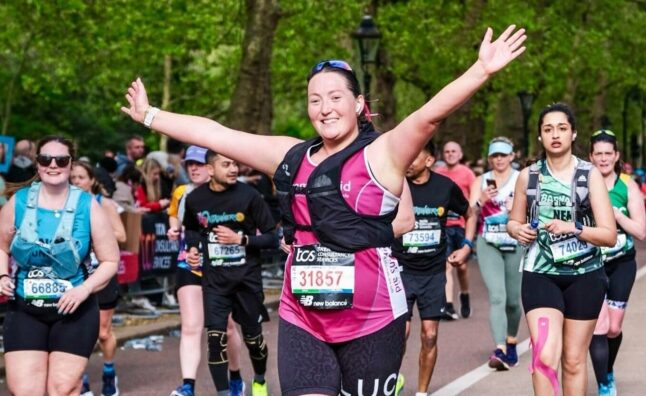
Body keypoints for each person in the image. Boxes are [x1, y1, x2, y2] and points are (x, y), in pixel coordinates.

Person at [121, 24, 526, 396]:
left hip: (373, 318)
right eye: (315, 100)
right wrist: (150, 115)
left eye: (335, 98)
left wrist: (481, 70)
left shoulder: (381, 154)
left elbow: (428, 115)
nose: (325, 108)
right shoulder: (290, 155)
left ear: (358, 104)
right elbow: (217, 134)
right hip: (303, 318)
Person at [507, 103, 616, 396]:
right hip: (541, 273)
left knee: (573, 360)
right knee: (544, 357)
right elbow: (513, 221)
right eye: (548, 129)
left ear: (573, 133)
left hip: (586, 276)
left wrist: (576, 229)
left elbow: (609, 235)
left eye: (562, 128)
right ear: (540, 138)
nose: (555, 134)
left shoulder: (588, 175)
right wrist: (518, 229)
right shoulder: (528, 176)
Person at [0, 136, 120, 396]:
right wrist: (1, 275)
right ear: (37, 164)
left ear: (70, 164)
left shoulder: (88, 206)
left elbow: (111, 261)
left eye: (61, 160)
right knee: (23, 391)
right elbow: (1, 246)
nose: (53, 165)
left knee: (62, 389)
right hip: (26, 308)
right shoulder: (18, 202)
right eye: (45, 159)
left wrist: (84, 290)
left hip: (74, 311)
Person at [181, 150, 278, 396]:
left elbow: (272, 237)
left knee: (253, 340)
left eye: (235, 164)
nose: (234, 169)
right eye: (226, 165)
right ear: (211, 169)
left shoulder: (250, 196)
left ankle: (259, 380)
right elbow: (192, 229)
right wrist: (192, 249)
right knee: (216, 339)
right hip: (215, 281)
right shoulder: (195, 199)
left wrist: (241, 239)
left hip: (247, 279)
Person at [392, 140, 474, 396]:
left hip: (433, 273)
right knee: (398, 335)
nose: (408, 160)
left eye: (414, 156)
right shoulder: (395, 186)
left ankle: (422, 392)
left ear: (429, 160)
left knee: (429, 336)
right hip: (400, 271)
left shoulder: (445, 187)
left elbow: (470, 213)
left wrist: (467, 246)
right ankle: (391, 380)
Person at [167, 146, 245, 396]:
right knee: (191, 326)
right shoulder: (182, 192)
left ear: (212, 168)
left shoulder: (233, 193)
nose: (193, 168)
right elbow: (174, 217)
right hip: (189, 263)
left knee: (227, 327)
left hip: (223, 266)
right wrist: (173, 230)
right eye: (189, 164)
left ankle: (235, 377)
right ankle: (187, 385)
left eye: (198, 164)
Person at [588, 130, 646, 396]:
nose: (603, 159)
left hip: (622, 262)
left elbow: (641, 231)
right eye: (598, 154)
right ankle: (603, 383)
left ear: (616, 156)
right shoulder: (582, 184)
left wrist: (615, 216)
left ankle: (608, 369)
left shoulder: (628, 186)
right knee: (598, 327)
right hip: (591, 264)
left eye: (607, 154)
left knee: (613, 328)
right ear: (591, 156)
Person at [70, 161, 127, 396]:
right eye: (72, 178)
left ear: (92, 180)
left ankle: (108, 372)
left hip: (102, 273)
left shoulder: (104, 204)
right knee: (76, 332)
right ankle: (80, 380)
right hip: (75, 275)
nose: (76, 182)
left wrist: (94, 233)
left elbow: (121, 235)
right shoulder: (65, 205)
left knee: (102, 332)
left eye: (81, 177)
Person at [467, 137, 524, 370]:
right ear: (490, 158)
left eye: (503, 155)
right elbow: (469, 212)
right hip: (488, 243)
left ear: (512, 156)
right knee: (497, 297)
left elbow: (536, 210)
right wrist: (480, 201)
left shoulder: (521, 178)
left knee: (512, 301)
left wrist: (518, 208)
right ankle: (500, 349)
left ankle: (511, 340)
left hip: (516, 242)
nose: (499, 159)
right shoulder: (481, 181)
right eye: (495, 155)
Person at [434, 140, 476, 319]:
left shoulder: (468, 174)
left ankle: (465, 294)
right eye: (447, 151)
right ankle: (448, 305)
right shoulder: (437, 173)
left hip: (461, 226)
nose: (450, 154)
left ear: (460, 154)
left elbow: (472, 204)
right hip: (443, 227)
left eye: (454, 151)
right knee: (446, 265)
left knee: (462, 267)